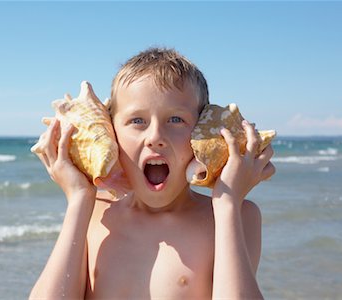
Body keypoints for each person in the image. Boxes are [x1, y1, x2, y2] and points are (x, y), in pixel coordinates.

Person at [29, 47, 275, 299]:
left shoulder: (237, 214)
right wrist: (80, 198)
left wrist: (227, 203)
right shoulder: (93, 213)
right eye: (137, 121)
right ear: (111, 133)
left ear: (201, 130)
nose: (156, 137)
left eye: (176, 120)